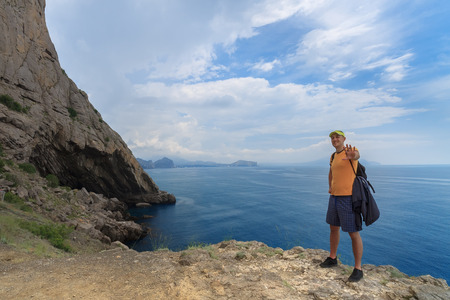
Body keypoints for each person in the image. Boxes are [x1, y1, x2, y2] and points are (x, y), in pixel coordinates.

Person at [320, 130, 364, 282]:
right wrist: (331, 186)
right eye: (332, 137)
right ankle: (333, 258)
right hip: (334, 197)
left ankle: (358, 269)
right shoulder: (333, 156)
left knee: (353, 232)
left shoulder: (351, 151)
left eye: (337, 136)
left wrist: (353, 156)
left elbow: (357, 156)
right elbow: (331, 172)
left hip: (348, 198)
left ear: (344, 138)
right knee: (333, 228)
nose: (334, 139)